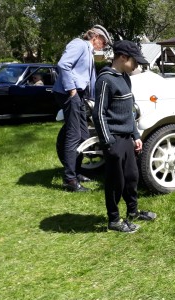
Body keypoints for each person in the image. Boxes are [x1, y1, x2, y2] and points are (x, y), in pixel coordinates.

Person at [92, 40, 156, 233]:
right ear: (122, 57)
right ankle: (114, 220)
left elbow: (130, 110)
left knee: (131, 177)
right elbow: (98, 114)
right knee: (115, 181)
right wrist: (108, 142)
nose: (136, 65)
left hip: (128, 138)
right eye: (134, 61)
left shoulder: (125, 78)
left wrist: (136, 135)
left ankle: (133, 212)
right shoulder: (105, 80)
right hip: (114, 140)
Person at [53, 24, 113, 192]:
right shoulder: (79, 44)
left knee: (84, 135)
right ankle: (69, 180)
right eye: (104, 43)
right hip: (69, 93)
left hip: (79, 95)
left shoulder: (89, 52)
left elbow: (89, 77)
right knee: (74, 135)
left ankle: (76, 172)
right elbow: (63, 64)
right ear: (96, 38)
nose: (104, 46)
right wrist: (72, 90)